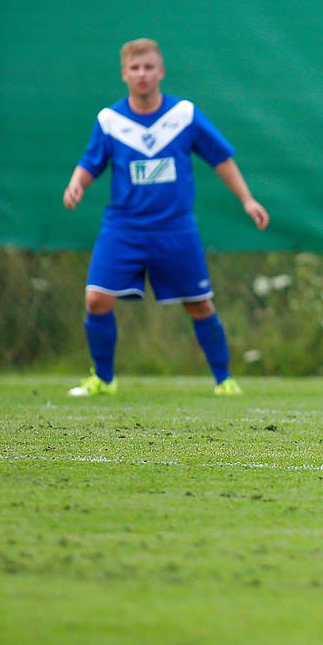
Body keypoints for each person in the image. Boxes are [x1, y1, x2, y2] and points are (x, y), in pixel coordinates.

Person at [63, 38, 269, 397]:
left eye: (148, 67)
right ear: (124, 74)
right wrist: (76, 184)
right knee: (96, 299)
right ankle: (103, 379)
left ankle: (224, 380)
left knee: (200, 304)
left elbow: (220, 157)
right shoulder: (110, 120)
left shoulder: (183, 116)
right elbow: (91, 161)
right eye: (135, 68)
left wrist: (247, 200)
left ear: (161, 72)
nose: (142, 75)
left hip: (175, 229)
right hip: (124, 227)